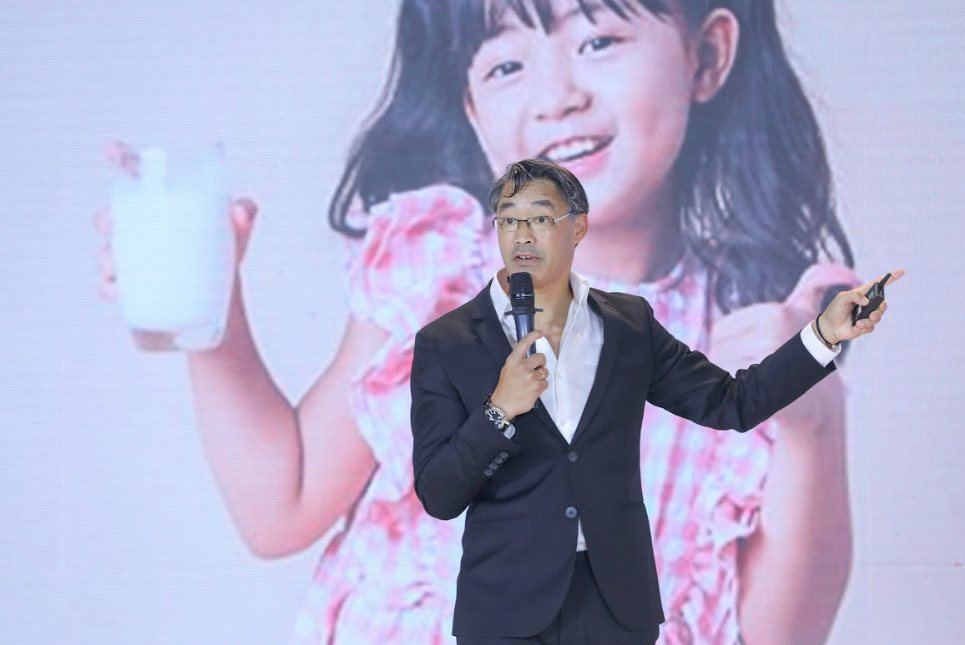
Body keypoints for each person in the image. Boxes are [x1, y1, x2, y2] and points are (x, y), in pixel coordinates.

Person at [95, 1, 886, 642]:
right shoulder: (436, 277)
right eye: (507, 64)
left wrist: (812, 421)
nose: (556, 96)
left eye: (598, 40)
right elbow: (283, 504)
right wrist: (210, 310)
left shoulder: (748, 334)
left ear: (705, 56)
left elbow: (781, 632)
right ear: (472, 109)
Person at [411, 158, 900, 643]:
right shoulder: (447, 342)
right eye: (508, 220)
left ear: (577, 227)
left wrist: (822, 335)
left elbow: (732, 403)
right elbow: (439, 494)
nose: (521, 236)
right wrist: (499, 410)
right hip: (505, 610)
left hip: (615, 606)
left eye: (539, 218)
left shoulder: (627, 325)